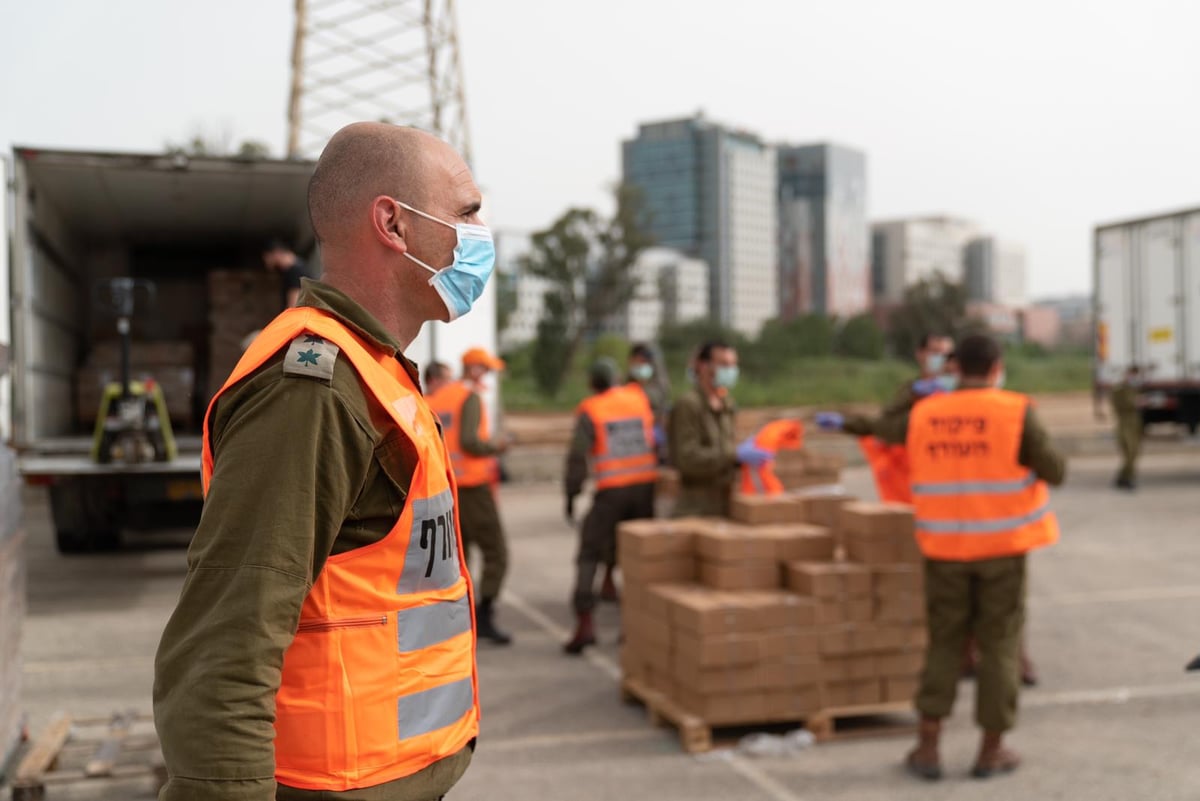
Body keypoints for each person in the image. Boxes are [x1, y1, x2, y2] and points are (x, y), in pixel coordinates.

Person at [154, 122, 493, 801]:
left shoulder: (379, 372)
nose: (480, 235)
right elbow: (227, 646)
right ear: (393, 224)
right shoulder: (312, 387)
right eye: (466, 213)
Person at [872, 333, 1066, 781]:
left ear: (954, 368)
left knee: (944, 643)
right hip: (1001, 550)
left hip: (944, 549)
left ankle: (927, 746)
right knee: (999, 645)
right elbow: (1055, 469)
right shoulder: (1015, 410)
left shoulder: (926, 413)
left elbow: (887, 431)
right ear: (996, 366)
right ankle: (991, 750)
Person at [563, 358, 658, 654]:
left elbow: (578, 457)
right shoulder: (638, 398)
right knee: (639, 556)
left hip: (612, 492)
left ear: (593, 383)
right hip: (645, 488)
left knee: (589, 552)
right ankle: (637, 626)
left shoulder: (591, 409)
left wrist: (571, 495)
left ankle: (585, 624)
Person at [426, 347, 513, 645]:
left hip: (445, 487)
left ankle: (454, 621)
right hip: (474, 487)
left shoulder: (435, 397)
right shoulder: (469, 397)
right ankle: (484, 616)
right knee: (497, 554)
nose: (487, 376)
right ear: (474, 369)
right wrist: (497, 447)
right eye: (485, 370)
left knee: (457, 558)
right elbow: (471, 442)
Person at [667, 340, 768, 518]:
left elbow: (724, 449)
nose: (730, 370)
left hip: (724, 506)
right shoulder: (689, 405)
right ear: (704, 366)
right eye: (724, 364)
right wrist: (733, 455)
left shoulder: (727, 406)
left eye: (733, 365)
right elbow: (687, 459)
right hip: (695, 510)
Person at [1110, 365, 1143, 490]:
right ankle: (1125, 478)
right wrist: (1136, 402)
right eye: (1132, 374)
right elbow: (1124, 403)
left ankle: (1125, 477)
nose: (1133, 377)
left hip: (1134, 425)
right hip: (1125, 425)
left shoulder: (1133, 389)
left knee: (1134, 452)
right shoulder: (1120, 389)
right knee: (1129, 452)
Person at [262, 238, 310, 308]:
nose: (266, 262)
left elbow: (294, 303)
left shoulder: (295, 271)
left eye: (267, 257)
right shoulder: (296, 268)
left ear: (276, 253)